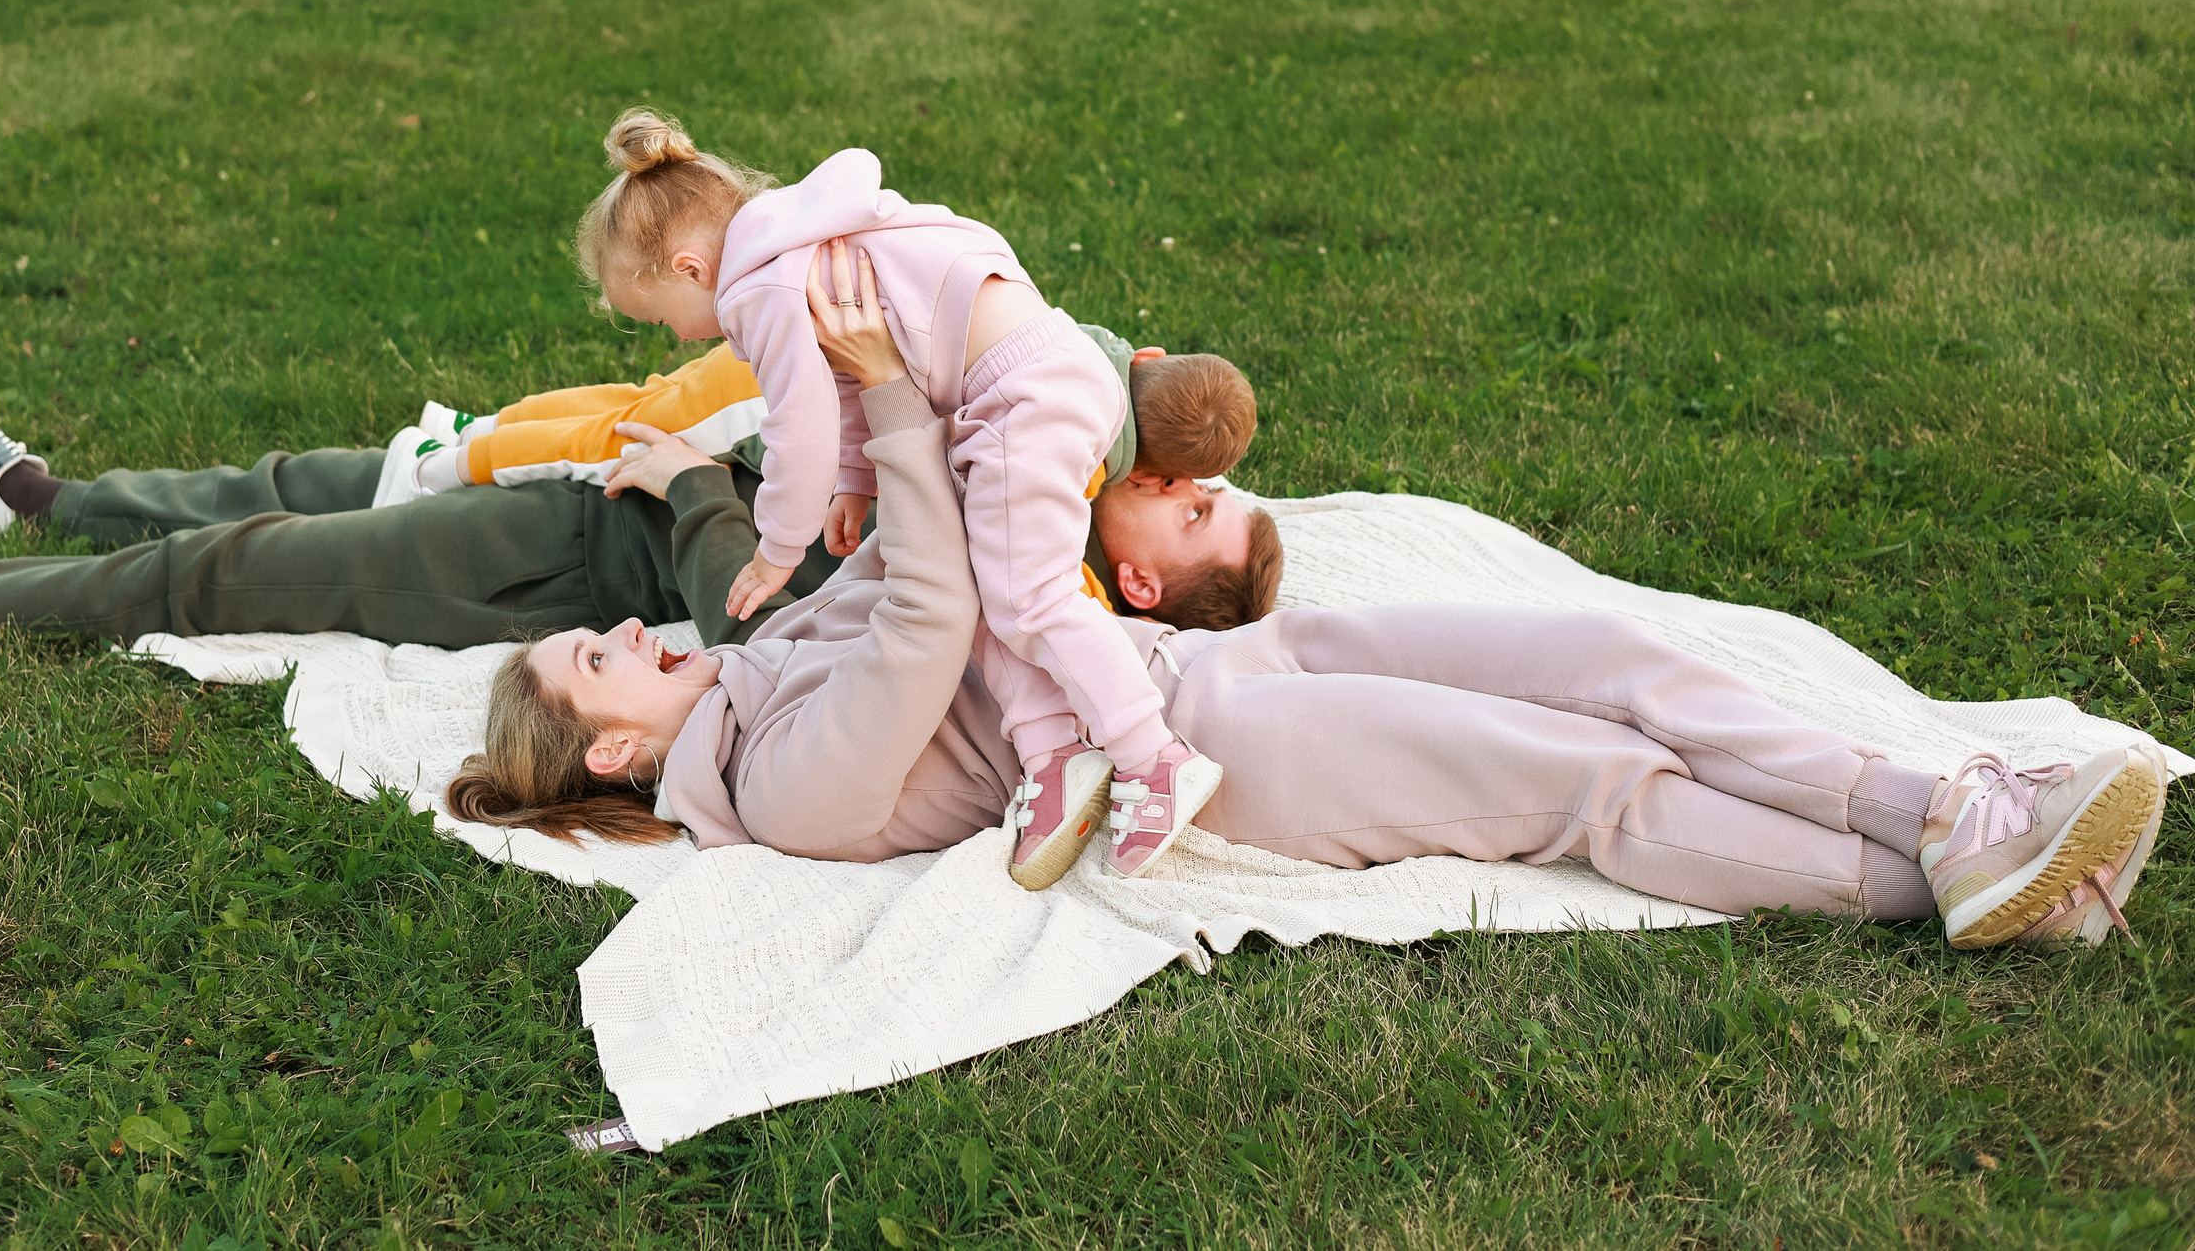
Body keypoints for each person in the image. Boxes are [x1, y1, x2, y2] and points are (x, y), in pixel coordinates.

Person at [447, 254, 2169, 952]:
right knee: (1582, 781)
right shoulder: (778, 789)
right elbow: (924, 627)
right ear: (607, 749)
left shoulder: (752, 672)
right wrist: (895, 410)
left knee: (1610, 655)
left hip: (1208, 662)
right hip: (1225, 749)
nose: (641, 639)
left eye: (613, 628)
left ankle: (1959, 814)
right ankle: (1950, 878)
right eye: (609, 659)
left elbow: (905, 558)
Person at [574, 110, 1277, 884]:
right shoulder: (804, 238)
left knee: (1031, 596)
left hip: (1019, 395)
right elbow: (846, 381)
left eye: (659, 319)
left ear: (686, 268)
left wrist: (779, 545)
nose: (676, 338)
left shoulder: (753, 286)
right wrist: (854, 481)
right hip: (1034, 374)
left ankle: (1154, 757)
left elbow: (797, 424)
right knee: (985, 581)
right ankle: (1053, 753)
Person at [0, 344, 1270, 650]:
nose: (1185, 482)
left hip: (583, 552)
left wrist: (696, 478)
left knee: (241, 566)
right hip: (629, 472)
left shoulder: (1021, 584)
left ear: (1144, 585)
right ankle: (26, 488)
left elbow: (758, 626)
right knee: (321, 472)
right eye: (1202, 478)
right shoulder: (1048, 474)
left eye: (1199, 511)